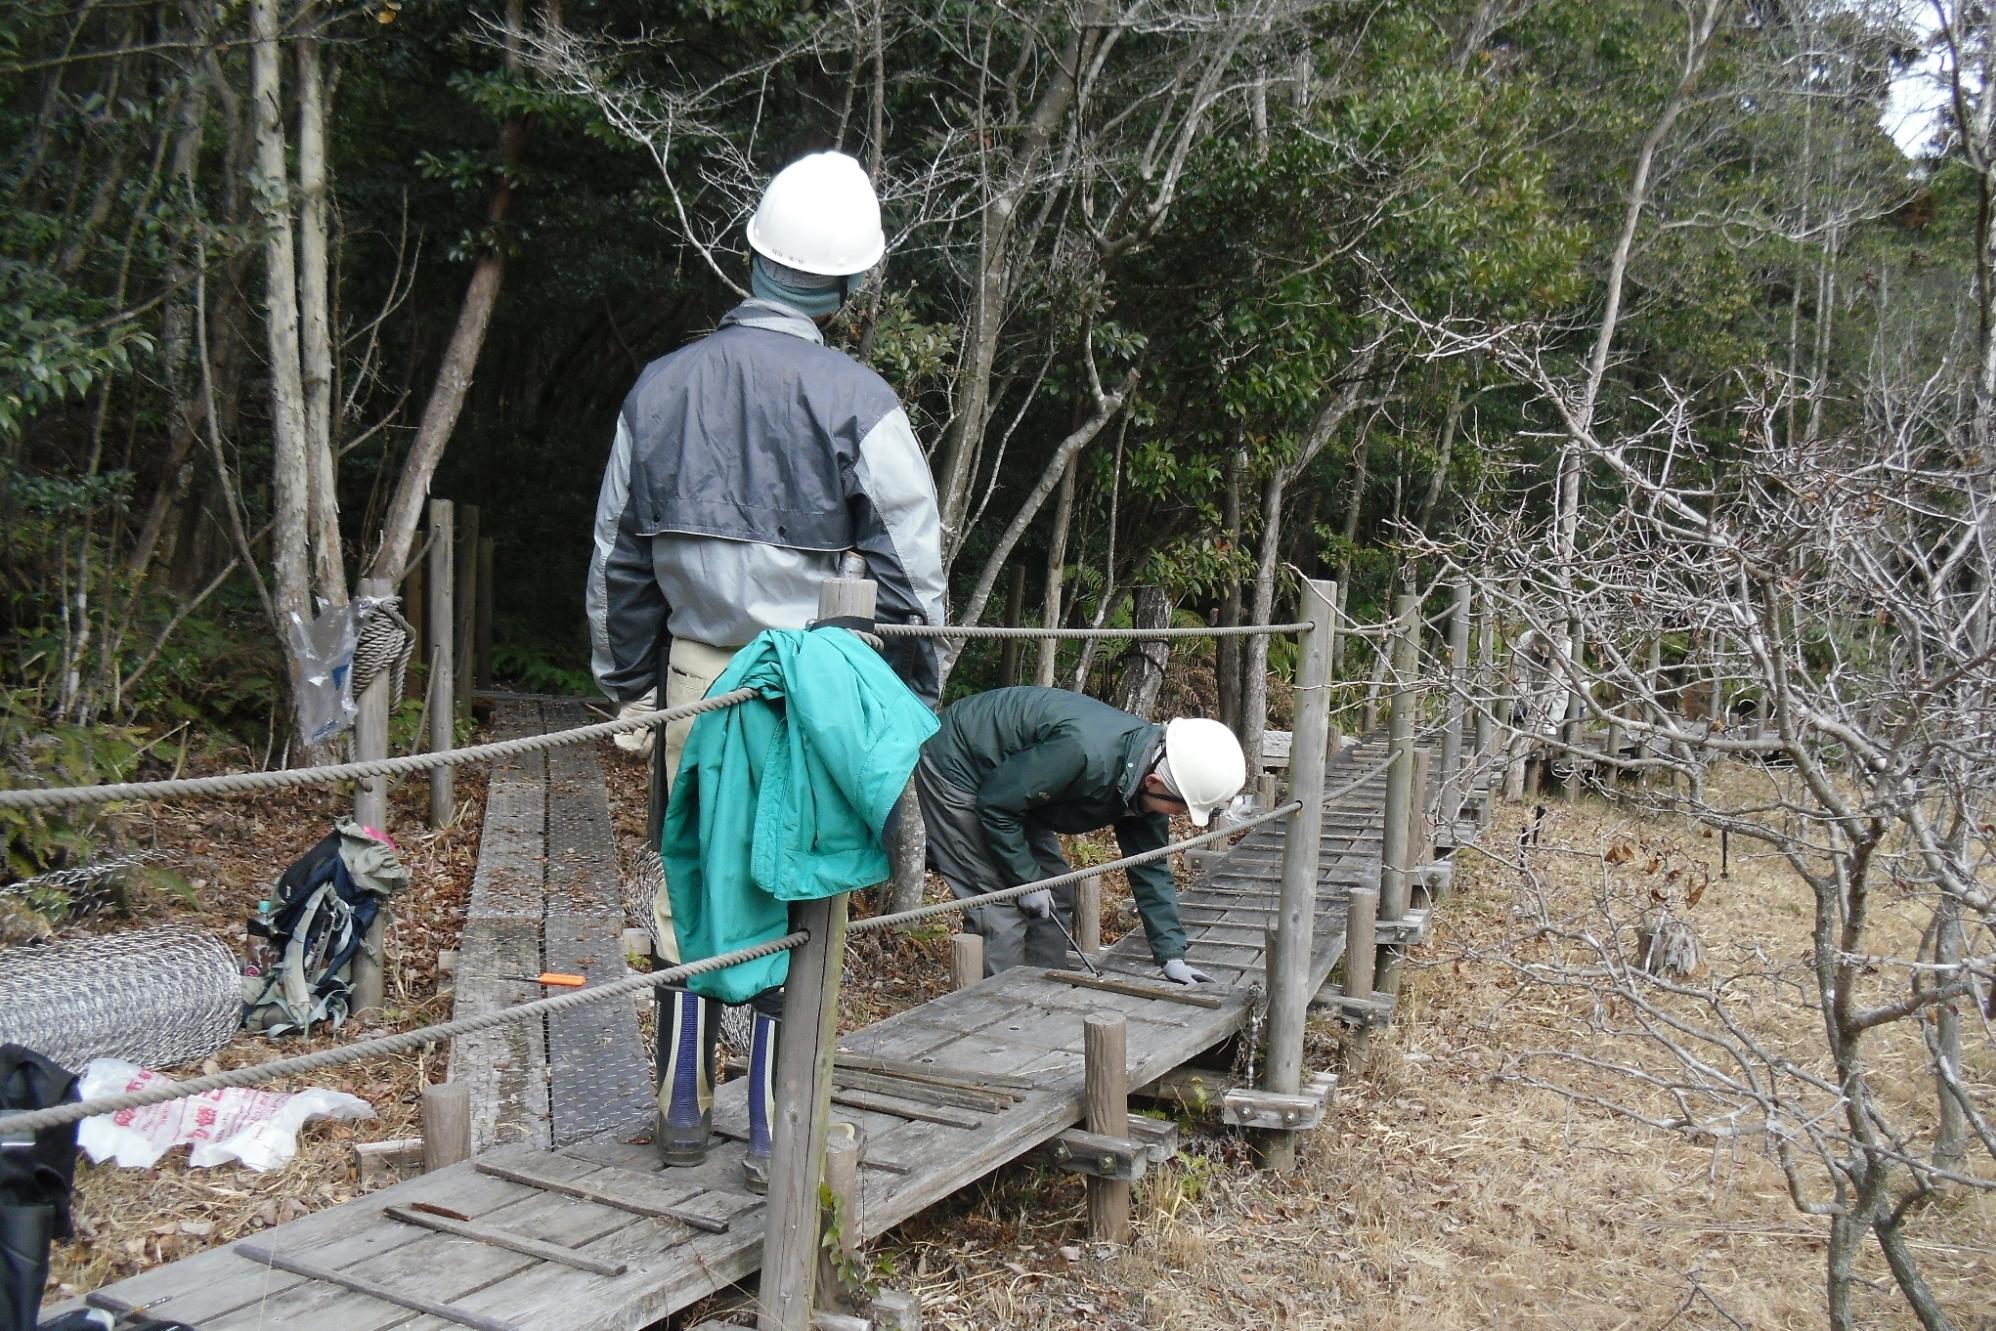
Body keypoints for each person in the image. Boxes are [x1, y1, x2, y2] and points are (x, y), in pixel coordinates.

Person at [585, 150, 946, 1189]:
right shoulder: (859, 397)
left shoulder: (658, 389)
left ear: (752, 252)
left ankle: (684, 1111)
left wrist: (628, 686)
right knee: (803, 889)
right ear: (846, 283)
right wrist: (911, 692)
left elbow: (618, 554)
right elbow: (911, 567)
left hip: (697, 681)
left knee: (690, 880)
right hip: (816, 689)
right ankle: (774, 1136)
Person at [916, 686, 1248, 982]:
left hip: (1018, 786)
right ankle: (997, 1015)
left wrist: (1171, 955)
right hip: (961, 765)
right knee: (999, 905)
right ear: (1154, 783)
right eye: (1178, 809)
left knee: (1057, 893)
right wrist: (1027, 879)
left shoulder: (1148, 774)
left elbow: (1150, 869)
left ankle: (1042, 990)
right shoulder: (1083, 753)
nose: (1176, 819)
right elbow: (997, 806)